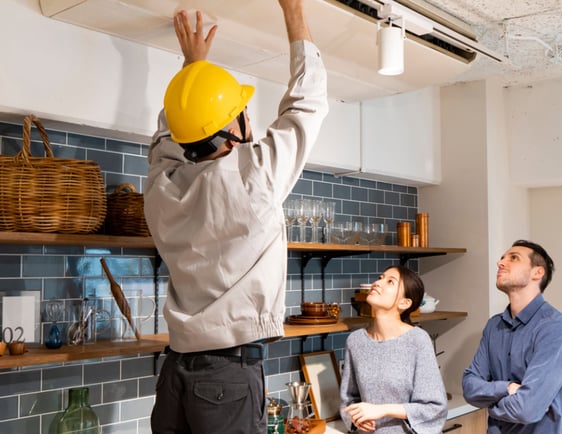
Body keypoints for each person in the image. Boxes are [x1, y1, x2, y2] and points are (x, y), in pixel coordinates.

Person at [143, 1, 328, 432]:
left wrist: (194, 71)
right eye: (244, 114)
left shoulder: (161, 188)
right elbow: (307, 103)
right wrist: (294, 11)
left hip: (174, 375)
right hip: (227, 377)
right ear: (235, 128)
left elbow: (168, 137)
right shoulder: (254, 174)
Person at [462, 240, 562, 433]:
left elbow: (526, 410)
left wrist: (489, 406)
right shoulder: (494, 326)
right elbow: (469, 386)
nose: (500, 263)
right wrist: (507, 388)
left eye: (513, 258)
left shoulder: (556, 330)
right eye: (502, 258)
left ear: (537, 273)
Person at [340, 265, 448, 434]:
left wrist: (383, 410)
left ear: (405, 303)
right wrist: (355, 419)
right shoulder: (355, 341)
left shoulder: (418, 340)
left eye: (390, 282)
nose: (378, 283)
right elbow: (349, 399)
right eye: (380, 277)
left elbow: (434, 408)